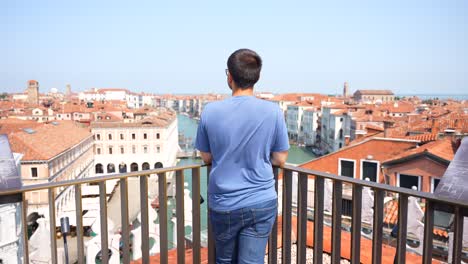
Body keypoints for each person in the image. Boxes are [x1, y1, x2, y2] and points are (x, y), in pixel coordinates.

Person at [195, 49, 289, 263]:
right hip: (262, 200)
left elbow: (206, 157)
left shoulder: (210, 111)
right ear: (257, 76)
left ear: (229, 76)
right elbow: (280, 159)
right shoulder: (273, 111)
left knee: (224, 260)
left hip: (224, 202)